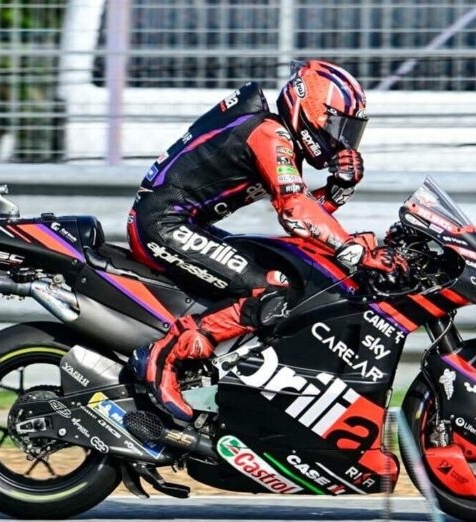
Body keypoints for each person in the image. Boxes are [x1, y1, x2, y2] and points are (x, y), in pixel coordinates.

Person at [126, 60, 407, 422]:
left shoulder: (278, 138)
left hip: (183, 224)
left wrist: (339, 189)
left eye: (351, 132)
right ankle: (163, 357)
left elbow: (303, 216)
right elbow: (295, 211)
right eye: (338, 126)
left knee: (281, 271)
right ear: (311, 109)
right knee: (270, 290)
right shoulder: (270, 134)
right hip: (163, 225)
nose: (342, 140)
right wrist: (351, 247)